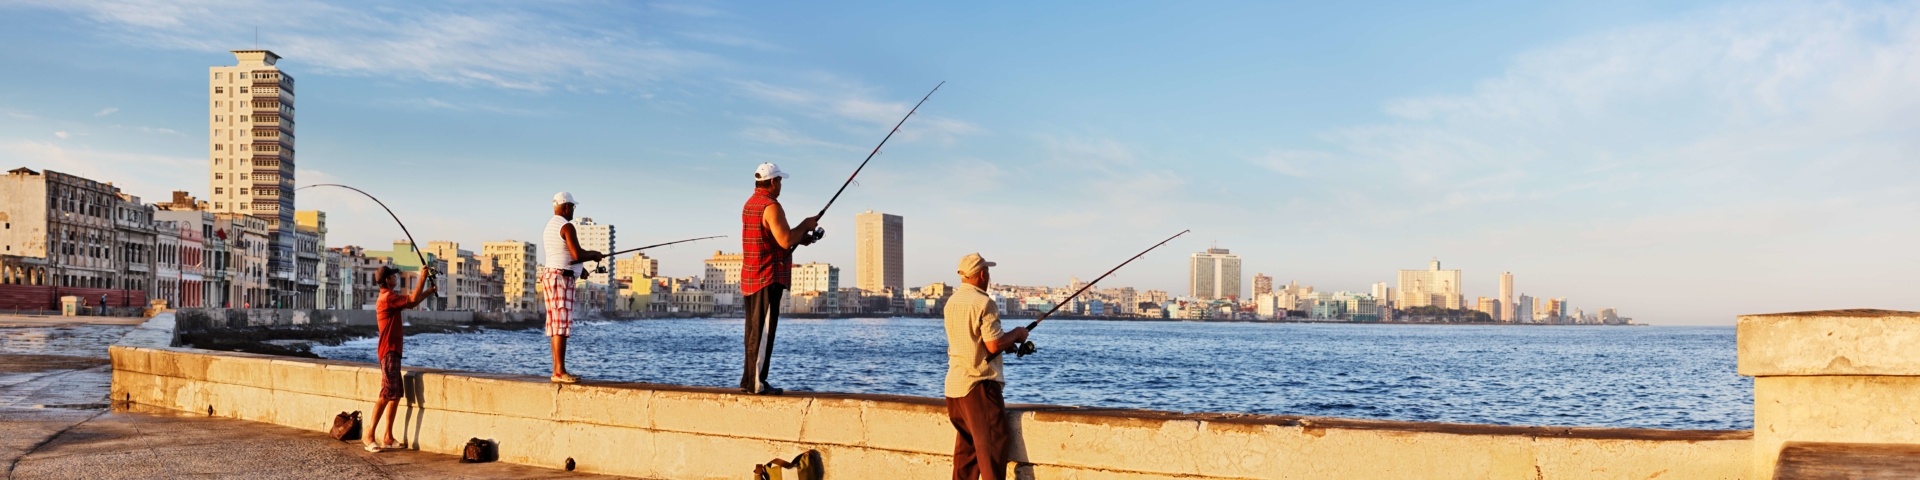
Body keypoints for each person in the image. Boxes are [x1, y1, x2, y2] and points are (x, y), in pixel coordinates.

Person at [943, 253, 1027, 480]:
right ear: (982, 274)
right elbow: (993, 344)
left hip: (955, 390)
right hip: (979, 389)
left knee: (966, 458)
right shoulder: (984, 302)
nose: (988, 276)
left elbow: (974, 342)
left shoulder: (952, 302)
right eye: (987, 272)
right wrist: (1017, 335)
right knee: (993, 449)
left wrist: (1003, 344)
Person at [739, 163, 819, 395]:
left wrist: (799, 238)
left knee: (752, 332)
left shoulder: (750, 204)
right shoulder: (771, 206)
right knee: (763, 333)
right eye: (780, 181)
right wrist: (805, 224)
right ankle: (756, 384)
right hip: (767, 277)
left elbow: (772, 237)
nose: (781, 185)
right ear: (773, 182)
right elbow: (785, 241)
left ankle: (748, 380)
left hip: (751, 276)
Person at [365, 265, 436, 453]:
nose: (397, 278)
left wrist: (428, 290)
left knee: (395, 395)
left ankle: (388, 436)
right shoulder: (387, 298)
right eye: (394, 276)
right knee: (386, 393)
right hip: (388, 351)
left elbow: (411, 303)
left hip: (393, 351)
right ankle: (369, 435)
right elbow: (412, 299)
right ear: (387, 280)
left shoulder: (390, 298)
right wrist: (422, 277)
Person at [541, 192, 604, 383]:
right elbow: (576, 253)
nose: (573, 211)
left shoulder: (549, 227)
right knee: (561, 324)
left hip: (552, 275)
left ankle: (556, 370)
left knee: (555, 324)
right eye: (573, 207)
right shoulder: (566, 225)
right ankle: (560, 372)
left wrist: (580, 270)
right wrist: (594, 254)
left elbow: (562, 254)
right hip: (561, 279)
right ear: (567, 206)